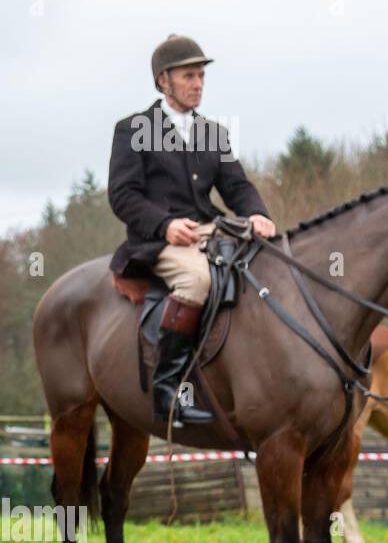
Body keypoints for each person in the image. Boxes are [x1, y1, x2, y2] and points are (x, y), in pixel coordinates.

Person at [107, 34, 275, 426]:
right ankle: (169, 392)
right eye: (189, 76)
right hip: (159, 241)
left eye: (201, 76)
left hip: (213, 231)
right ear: (164, 80)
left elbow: (237, 186)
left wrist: (257, 214)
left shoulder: (212, 132)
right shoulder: (132, 129)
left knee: (269, 265)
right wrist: (164, 226)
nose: (198, 84)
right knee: (198, 282)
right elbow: (122, 195)